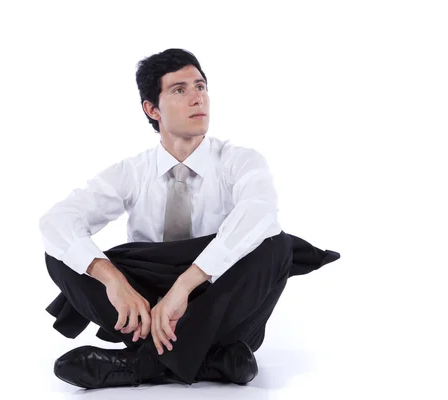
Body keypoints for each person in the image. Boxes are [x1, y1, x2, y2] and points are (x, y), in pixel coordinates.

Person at [39, 48, 340, 389]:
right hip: (149, 312)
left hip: (219, 301)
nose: (197, 98)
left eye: (201, 86)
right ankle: (212, 362)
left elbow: (259, 211)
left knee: (275, 245)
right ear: (152, 109)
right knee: (62, 253)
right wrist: (114, 282)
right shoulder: (132, 172)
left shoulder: (240, 160)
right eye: (180, 90)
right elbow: (57, 221)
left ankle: (138, 365)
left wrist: (186, 284)